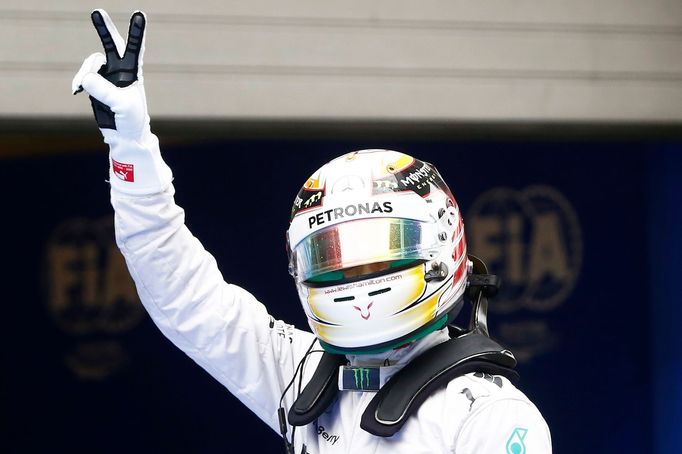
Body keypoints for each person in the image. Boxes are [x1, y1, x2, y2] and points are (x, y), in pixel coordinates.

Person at [72, 10, 552, 453]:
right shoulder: (304, 374)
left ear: (442, 246)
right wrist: (130, 146)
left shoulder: (491, 420)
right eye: (331, 257)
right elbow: (182, 295)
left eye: (378, 253)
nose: (356, 277)